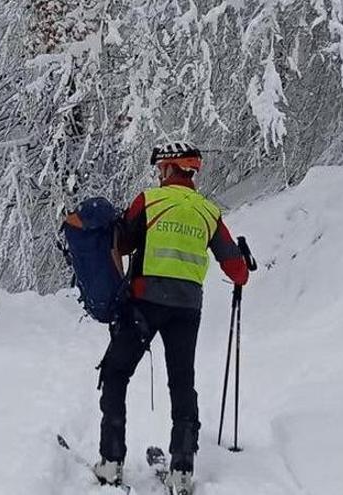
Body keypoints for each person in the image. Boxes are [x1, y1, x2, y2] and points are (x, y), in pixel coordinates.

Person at [92, 142, 249, 493]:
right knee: (182, 382)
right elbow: (236, 269)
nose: (158, 174)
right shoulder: (209, 211)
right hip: (187, 309)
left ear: (170, 169)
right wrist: (242, 267)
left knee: (116, 372)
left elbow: (125, 243)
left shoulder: (149, 200)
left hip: (144, 303)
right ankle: (182, 468)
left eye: (161, 168)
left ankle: (111, 460)